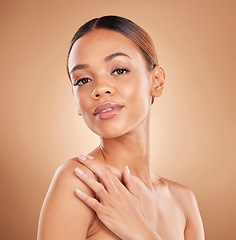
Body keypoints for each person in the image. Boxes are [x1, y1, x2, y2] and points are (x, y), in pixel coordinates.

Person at [37, 15, 205, 240]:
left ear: (157, 80)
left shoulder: (183, 201)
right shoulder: (80, 182)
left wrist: (141, 233)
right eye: (83, 80)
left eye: (119, 70)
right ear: (75, 99)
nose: (100, 88)